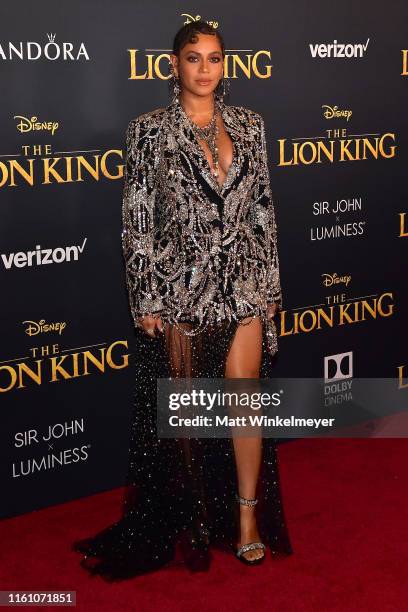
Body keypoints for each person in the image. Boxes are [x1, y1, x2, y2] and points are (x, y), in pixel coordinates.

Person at [72, 20, 293, 580]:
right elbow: (137, 218)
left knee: (245, 402)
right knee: (188, 417)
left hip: (243, 283)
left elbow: (263, 210)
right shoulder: (150, 130)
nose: (204, 69)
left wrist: (271, 290)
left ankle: (246, 523)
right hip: (180, 291)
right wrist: (145, 294)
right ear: (174, 65)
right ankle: (193, 521)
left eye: (214, 58)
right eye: (193, 58)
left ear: (226, 65)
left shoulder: (250, 125)